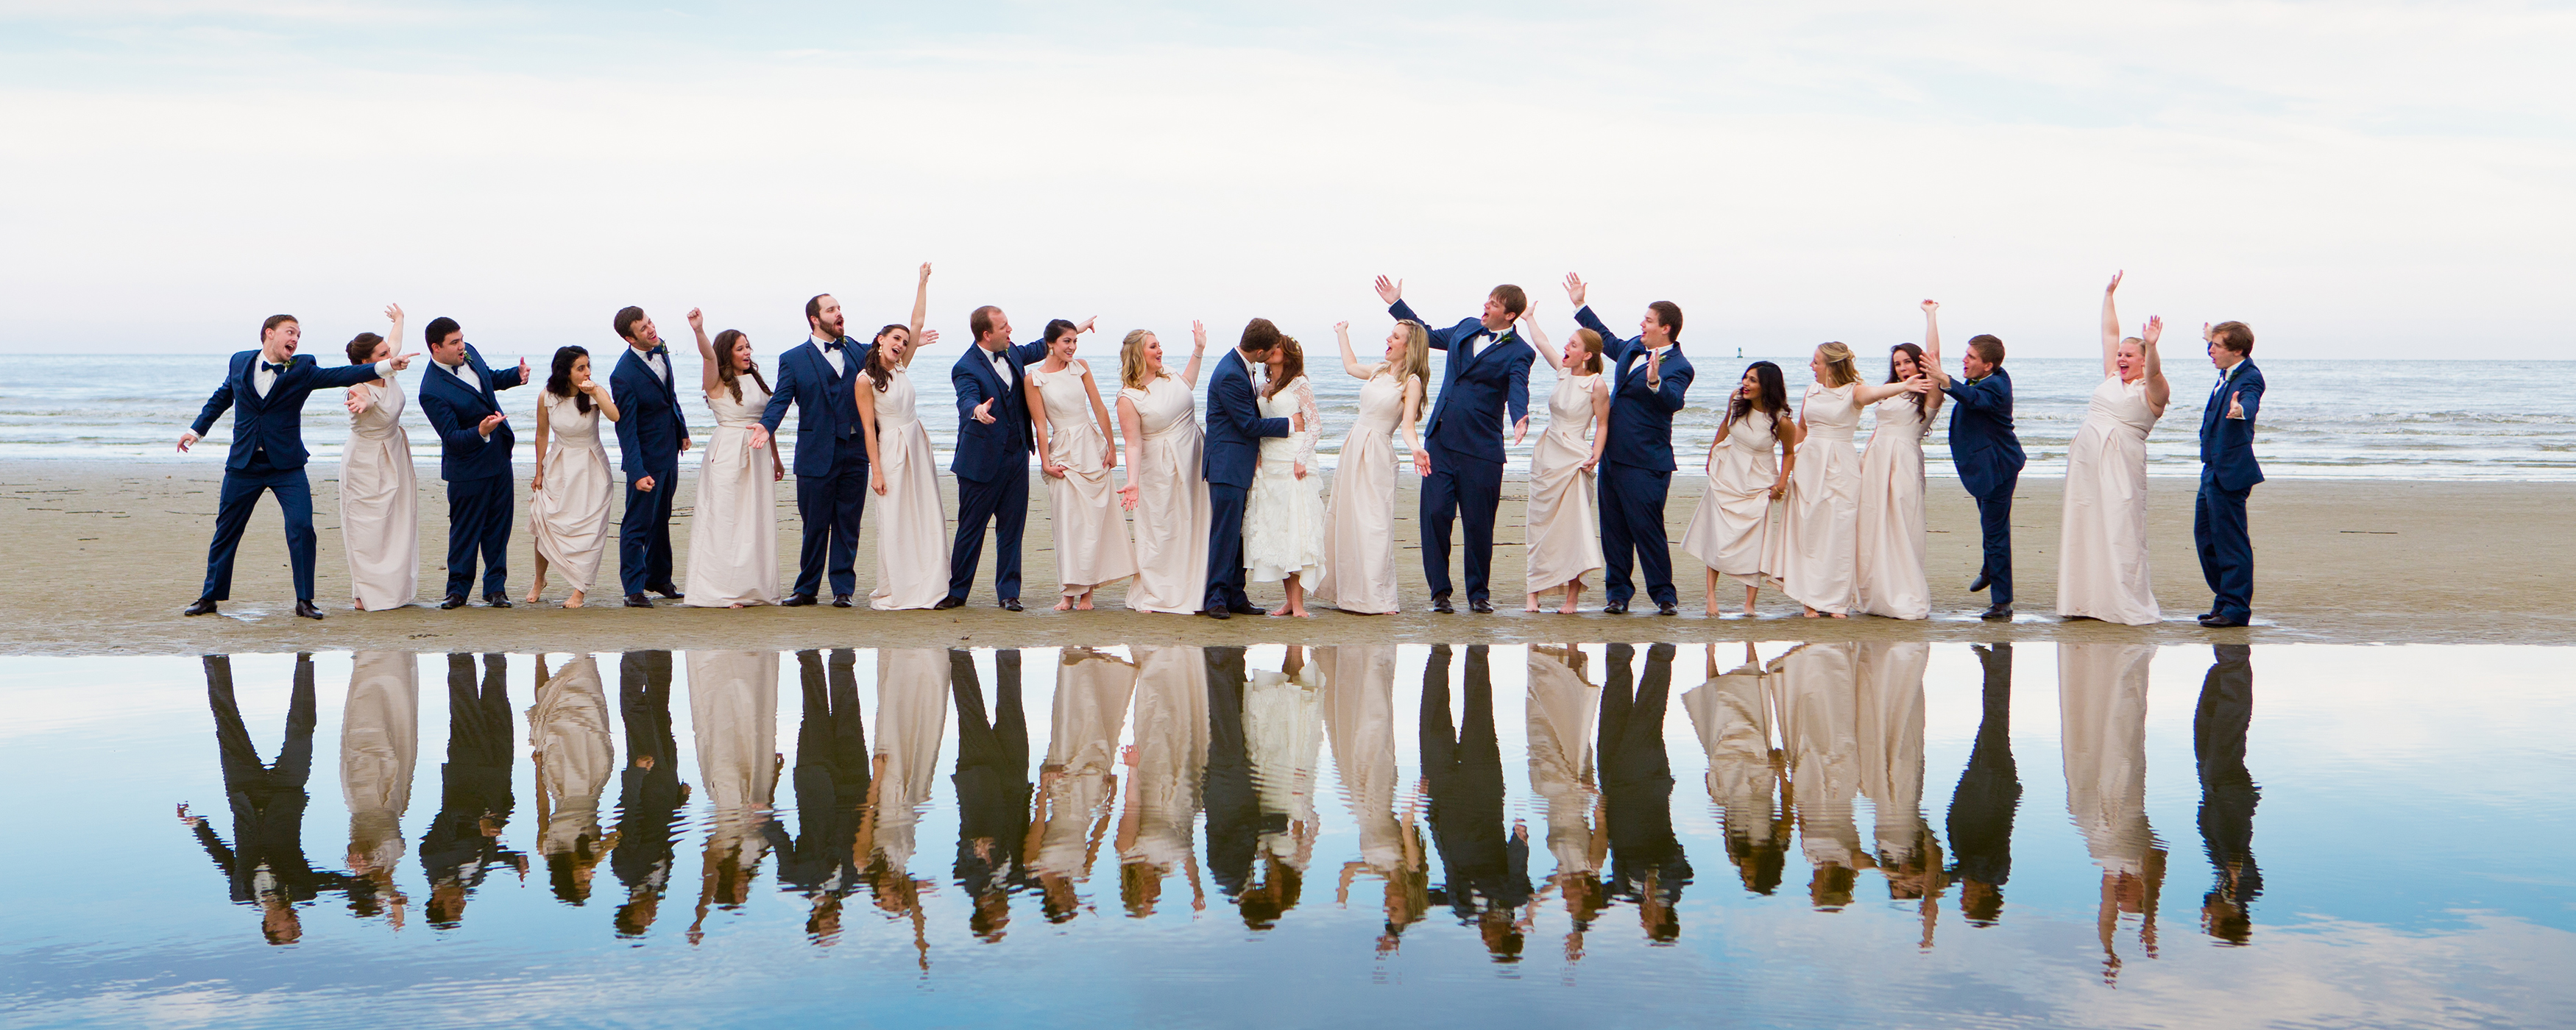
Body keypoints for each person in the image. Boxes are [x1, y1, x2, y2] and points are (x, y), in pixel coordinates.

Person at [180, 313, 417, 619]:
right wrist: (196, 431)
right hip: (244, 463)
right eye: (290, 332)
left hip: (287, 466)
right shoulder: (239, 362)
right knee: (227, 530)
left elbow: (341, 375)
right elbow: (222, 397)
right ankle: (209, 597)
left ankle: (305, 600)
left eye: (298, 335)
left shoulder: (303, 367)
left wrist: (387, 365)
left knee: (302, 527)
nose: (295, 339)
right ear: (269, 334)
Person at [757, 264, 928, 607]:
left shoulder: (856, 350)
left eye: (840, 309)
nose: (839, 315)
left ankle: (843, 591)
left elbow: (891, 351)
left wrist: (909, 341)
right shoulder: (792, 359)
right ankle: (805, 590)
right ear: (814, 319)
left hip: (855, 451)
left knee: (849, 524)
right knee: (815, 525)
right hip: (815, 452)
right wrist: (766, 426)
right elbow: (781, 399)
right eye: (831, 310)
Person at [1375, 275, 1537, 614]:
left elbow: (1518, 386)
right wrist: (1396, 304)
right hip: (1441, 441)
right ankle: (1440, 593)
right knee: (1435, 515)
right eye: (1487, 300)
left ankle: (1478, 594)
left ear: (1509, 315)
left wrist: (1520, 415)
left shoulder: (1521, 352)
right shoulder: (1465, 327)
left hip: (1482, 449)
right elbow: (1426, 334)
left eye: (1493, 304)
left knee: (1478, 524)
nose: (1486, 306)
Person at [177, 655, 359, 943]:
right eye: (297, 927)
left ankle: (214, 657)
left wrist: (199, 827)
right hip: (287, 792)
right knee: (301, 730)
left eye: (290, 928)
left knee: (227, 725)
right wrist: (376, 888)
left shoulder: (240, 893)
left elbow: (226, 860)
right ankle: (305, 659)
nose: (295, 922)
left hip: (243, 792)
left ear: (270, 926)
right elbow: (337, 884)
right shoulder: (302, 890)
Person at [1568, 275, 1695, 616]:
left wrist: (1654, 382)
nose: (1642, 323)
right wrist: (1580, 304)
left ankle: (1664, 595)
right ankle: (1618, 595)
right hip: (1613, 456)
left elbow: (1673, 401)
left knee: (1647, 528)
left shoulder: (1681, 367)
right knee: (1614, 530)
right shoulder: (1632, 349)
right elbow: (1605, 338)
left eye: (1649, 320)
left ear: (1666, 329)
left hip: (1647, 461)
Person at [1777, 342, 1928, 618]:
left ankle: (1836, 601)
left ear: (1831, 365)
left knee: (1840, 531)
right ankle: (1809, 600)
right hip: (1810, 462)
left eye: (1816, 361)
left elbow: (1877, 392)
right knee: (1809, 530)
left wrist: (1905, 386)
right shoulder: (1811, 391)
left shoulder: (1854, 391)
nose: (1812, 366)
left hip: (1841, 465)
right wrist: (1791, 463)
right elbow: (1801, 428)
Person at [947, 305, 1082, 611]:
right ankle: (957, 592)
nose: (1010, 330)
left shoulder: (1013, 354)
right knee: (971, 529)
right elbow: (966, 397)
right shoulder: (965, 366)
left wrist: (1077, 329)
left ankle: (1008, 594)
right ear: (987, 334)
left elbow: (1040, 345)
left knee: (1012, 529)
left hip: (1017, 457)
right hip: (979, 461)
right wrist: (977, 410)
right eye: (1004, 327)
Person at [2060, 272, 2171, 625]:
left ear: (2141, 360)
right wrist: (2108, 294)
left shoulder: (2153, 392)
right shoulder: (2111, 375)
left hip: (2122, 462)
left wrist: (2152, 346)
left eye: (2129, 355)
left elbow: (2153, 375)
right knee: (2085, 523)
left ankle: (2122, 601)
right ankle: (2083, 602)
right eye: (2120, 354)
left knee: (2121, 528)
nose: (2121, 358)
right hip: (2086, 459)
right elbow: (2109, 333)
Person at [1313, 319, 1427, 615]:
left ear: (1409, 346)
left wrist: (1416, 449)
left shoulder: (1411, 382)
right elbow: (1350, 366)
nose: (1389, 339)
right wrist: (1341, 333)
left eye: (1396, 336)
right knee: (1346, 517)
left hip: (1377, 452)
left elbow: (1408, 428)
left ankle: (1379, 597)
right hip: (1354, 446)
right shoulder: (1378, 370)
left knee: (1374, 523)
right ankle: (1345, 593)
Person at [1919, 301, 2025, 620]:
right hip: (1986, 466)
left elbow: (1974, 399)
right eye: (1965, 355)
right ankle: (1991, 567)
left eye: (1971, 358)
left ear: (1988, 365)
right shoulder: (1989, 377)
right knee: (1992, 529)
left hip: (1997, 468)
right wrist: (1931, 317)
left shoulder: (1993, 387)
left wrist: (1947, 380)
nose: (1964, 361)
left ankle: (2002, 602)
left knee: (1995, 532)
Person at [417, 316, 531, 609]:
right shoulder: (430, 389)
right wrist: (480, 431)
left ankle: (496, 589)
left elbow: (487, 379)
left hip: (499, 456)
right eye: (454, 343)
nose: (462, 346)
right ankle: (457, 590)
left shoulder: (470, 353)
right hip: (466, 467)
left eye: (462, 339)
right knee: (465, 530)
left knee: (498, 528)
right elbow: (452, 437)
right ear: (435, 348)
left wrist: (515, 376)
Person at [1025, 318, 1137, 610]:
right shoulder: (1034, 378)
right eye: (1067, 342)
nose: (1073, 347)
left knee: (1093, 521)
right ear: (1051, 343)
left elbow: (1099, 407)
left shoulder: (1081, 367)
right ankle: (1068, 592)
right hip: (1062, 452)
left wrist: (1113, 448)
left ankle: (1088, 592)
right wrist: (1045, 464)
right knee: (1068, 524)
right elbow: (1040, 426)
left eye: (1075, 341)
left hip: (1091, 447)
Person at [1198, 319, 1301, 619]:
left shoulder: (1240, 365)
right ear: (1259, 351)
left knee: (1239, 533)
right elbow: (1248, 425)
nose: (1271, 356)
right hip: (1227, 464)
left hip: (1238, 463)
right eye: (1269, 352)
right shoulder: (1231, 374)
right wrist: (1291, 425)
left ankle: (1235, 594)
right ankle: (1215, 598)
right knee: (1224, 533)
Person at [684, 313, 784, 608]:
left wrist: (776, 459)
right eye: (740, 348)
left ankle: (752, 587)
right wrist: (700, 330)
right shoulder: (716, 383)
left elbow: (768, 422)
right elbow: (707, 356)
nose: (747, 353)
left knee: (755, 520)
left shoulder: (756, 379)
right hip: (728, 451)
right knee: (726, 519)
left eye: (748, 347)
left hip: (759, 453)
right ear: (727, 352)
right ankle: (723, 589)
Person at [1680, 362, 1796, 615]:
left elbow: (1789, 453)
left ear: (1767, 386)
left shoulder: (1781, 421)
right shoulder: (1736, 401)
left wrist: (1782, 483)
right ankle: (1711, 596)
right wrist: (1713, 452)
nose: (1746, 384)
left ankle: (1749, 604)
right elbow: (1725, 425)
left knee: (1754, 540)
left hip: (1757, 481)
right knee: (1717, 536)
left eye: (1753, 380)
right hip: (1728, 473)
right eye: (1745, 378)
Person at [857, 304, 952, 610]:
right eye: (896, 339)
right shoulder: (865, 379)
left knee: (923, 514)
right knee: (896, 518)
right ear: (880, 339)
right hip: (891, 449)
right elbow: (869, 430)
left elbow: (918, 321)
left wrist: (923, 282)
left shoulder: (900, 367)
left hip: (917, 446)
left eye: (905, 343)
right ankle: (900, 586)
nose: (900, 345)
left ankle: (929, 582)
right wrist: (877, 471)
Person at [1116, 326, 1215, 614]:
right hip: (1160, 468)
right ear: (1138, 355)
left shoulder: (1169, 373)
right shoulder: (1128, 398)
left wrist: (1198, 350)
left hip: (1193, 455)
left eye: (1159, 345)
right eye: (1153, 347)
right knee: (1165, 528)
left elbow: (1187, 386)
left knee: (1196, 522)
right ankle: (1160, 592)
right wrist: (1132, 482)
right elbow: (1133, 445)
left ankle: (1198, 589)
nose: (1160, 351)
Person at [1515, 310, 1609, 614]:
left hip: (1576, 460)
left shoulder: (1597, 385)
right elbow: (1542, 343)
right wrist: (1529, 318)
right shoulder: (1562, 371)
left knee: (1573, 528)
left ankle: (1572, 598)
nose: (1566, 349)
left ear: (1587, 355)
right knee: (1538, 524)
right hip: (1548, 454)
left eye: (1572, 345)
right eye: (1567, 344)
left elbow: (1604, 424)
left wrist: (1597, 452)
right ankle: (1533, 592)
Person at [606, 307, 692, 607]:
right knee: (636, 524)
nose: (651, 330)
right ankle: (633, 589)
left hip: (669, 450)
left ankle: (659, 578)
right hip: (645, 460)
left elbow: (670, 396)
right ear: (630, 337)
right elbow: (625, 429)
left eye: (650, 323)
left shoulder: (660, 350)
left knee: (662, 519)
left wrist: (682, 429)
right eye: (643, 329)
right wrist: (637, 471)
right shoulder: (623, 375)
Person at [526, 346, 623, 608]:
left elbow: (615, 415)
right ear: (565, 372)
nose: (587, 372)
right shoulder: (547, 397)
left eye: (588, 366)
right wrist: (539, 471)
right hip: (559, 463)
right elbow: (542, 434)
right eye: (581, 368)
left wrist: (596, 393)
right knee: (544, 521)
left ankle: (579, 589)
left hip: (591, 465)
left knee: (590, 529)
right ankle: (539, 579)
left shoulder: (593, 392)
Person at [339, 305, 420, 612]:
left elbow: (395, 344)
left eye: (388, 352)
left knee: (395, 523)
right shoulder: (358, 387)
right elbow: (359, 398)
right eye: (382, 354)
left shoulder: (388, 368)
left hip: (395, 453)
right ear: (365, 363)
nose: (390, 356)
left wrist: (400, 320)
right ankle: (363, 593)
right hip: (366, 461)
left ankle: (393, 590)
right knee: (367, 527)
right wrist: (359, 402)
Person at [1855, 342, 1943, 620]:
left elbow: (1935, 357)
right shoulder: (1892, 391)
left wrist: (1931, 315)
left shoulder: (1929, 391)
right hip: (1876, 458)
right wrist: (1861, 461)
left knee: (1903, 524)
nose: (1903, 368)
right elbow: (1878, 429)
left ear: (1919, 364)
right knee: (1872, 524)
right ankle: (1876, 593)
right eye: (1897, 364)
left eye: (1907, 362)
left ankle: (1904, 592)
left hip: (1903, 458)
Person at [1243, 333, 1325, 617]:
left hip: (1293, 461)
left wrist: (1301, 458)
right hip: (1270, 463)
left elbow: (1314, 425)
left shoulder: (1299, 384)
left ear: (1289, 353)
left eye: (1280, 346)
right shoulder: (1263, 387)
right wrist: (1258, 458)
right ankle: (1288, 601)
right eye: (1273, 346)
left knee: (1297, 530)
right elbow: (1257, 426)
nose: (1275, 349)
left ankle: (1300, 604)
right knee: (1277, 531)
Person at [526, 653, 615, 903]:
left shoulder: (547, 848)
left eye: (582, 881)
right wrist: (595, 859)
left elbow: (542, 807)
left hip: (560, 781)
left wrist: (538, 767)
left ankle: (539, 658)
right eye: (589, 882)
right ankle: (584, 660)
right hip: (592, 779)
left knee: (550, 716)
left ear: (566, 879)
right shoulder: (593, 850)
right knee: (591, 720)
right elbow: (618, 835)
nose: (588, 877)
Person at [2195, 319, 2265, 628]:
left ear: (2237, 350)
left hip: (2231, 472)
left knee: (2230, 542)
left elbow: (2250, 399)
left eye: (2217, 346)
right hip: (2211, 469)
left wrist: (2242, 411)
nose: (2210, 351)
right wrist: (2210, 336)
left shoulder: (2250, 377)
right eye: (2210, 344)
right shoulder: (2226, 373)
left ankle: (2235, 610)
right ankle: (2223, 601)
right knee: (2206, 539)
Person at [1946, 643, 2020, 926]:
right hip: (1993, 784)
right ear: (1986, 895)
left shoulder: (1979, 873)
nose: (1964, 896)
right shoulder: (1996, 873)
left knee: (1990, 721)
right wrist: (1951, 878)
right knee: (1995, 721)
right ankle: (2000, 657)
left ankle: (1993, 667)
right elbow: (1974, 861)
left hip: (1979, 788)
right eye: (1969, 901)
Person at [2194, 644, 2261, 942]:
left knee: (2205, 728)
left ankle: (2221, 670)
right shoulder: (2244, 889)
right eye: (2213, 926)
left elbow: (2210, 899)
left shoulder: (2221, 888)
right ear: (2231, 919)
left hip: (2215, 790)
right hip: (2230, 793)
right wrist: (2235, 877)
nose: (2207, 921)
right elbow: (2248, 874)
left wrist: (2214, 902)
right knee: (2229, 725)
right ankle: (2234, 659)